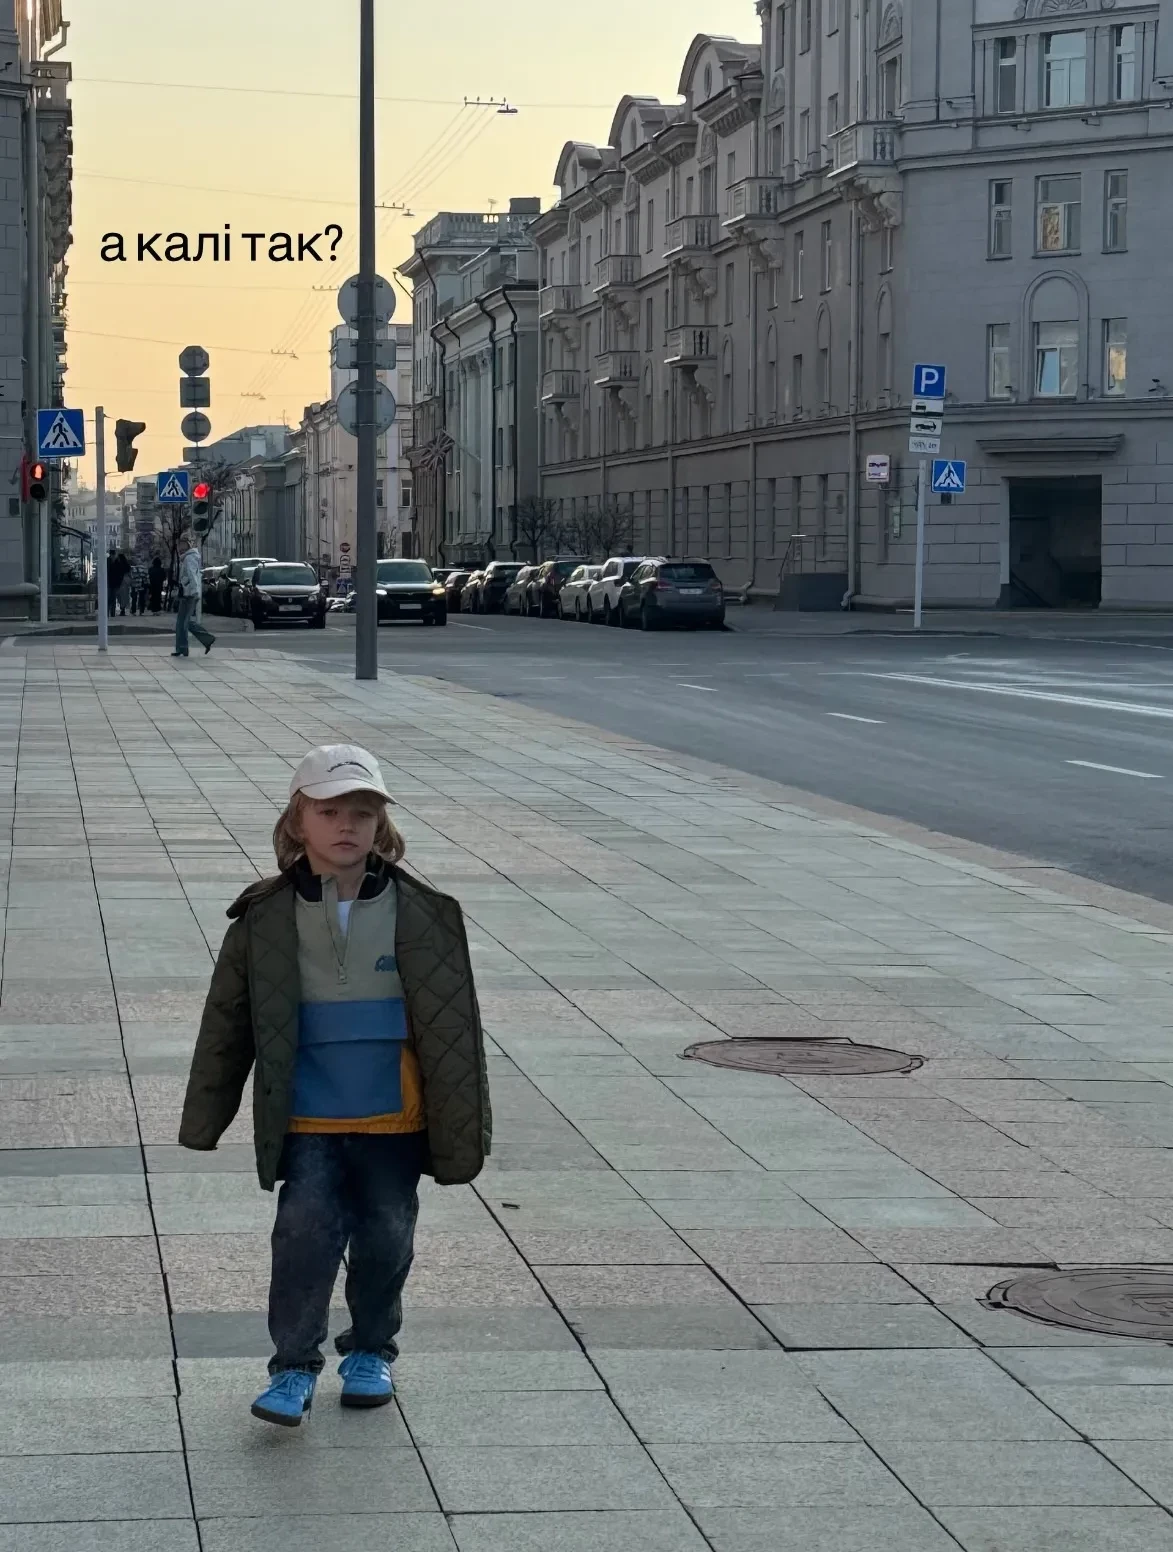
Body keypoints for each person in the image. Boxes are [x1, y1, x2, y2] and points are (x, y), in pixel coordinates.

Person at [178, 744, 491, 1426]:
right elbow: (226, 1021)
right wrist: (205, 1116)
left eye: (362, 813)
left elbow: (455, 1030)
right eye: (328, 812)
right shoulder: (263, 917)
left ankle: (371, 1350)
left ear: (382, 825)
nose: (346, 825)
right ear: (298, 822)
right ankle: (292, 1366)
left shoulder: (425, 913)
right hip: (307, 1115)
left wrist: (462, 1122)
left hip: (394, 1114)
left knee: (386, 1236)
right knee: (303, 1236)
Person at [171, 534, 215, 657]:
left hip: (189, 594)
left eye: (182, 544)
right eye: (179, 544)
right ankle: (182, 648)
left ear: (187, 544)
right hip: (186, 592)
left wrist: (195, 591)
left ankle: (206, 639)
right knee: (181, 622)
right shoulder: (188, 557)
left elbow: (192, 575)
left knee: (184, 622)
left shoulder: (189, 558)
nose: (179, 547)